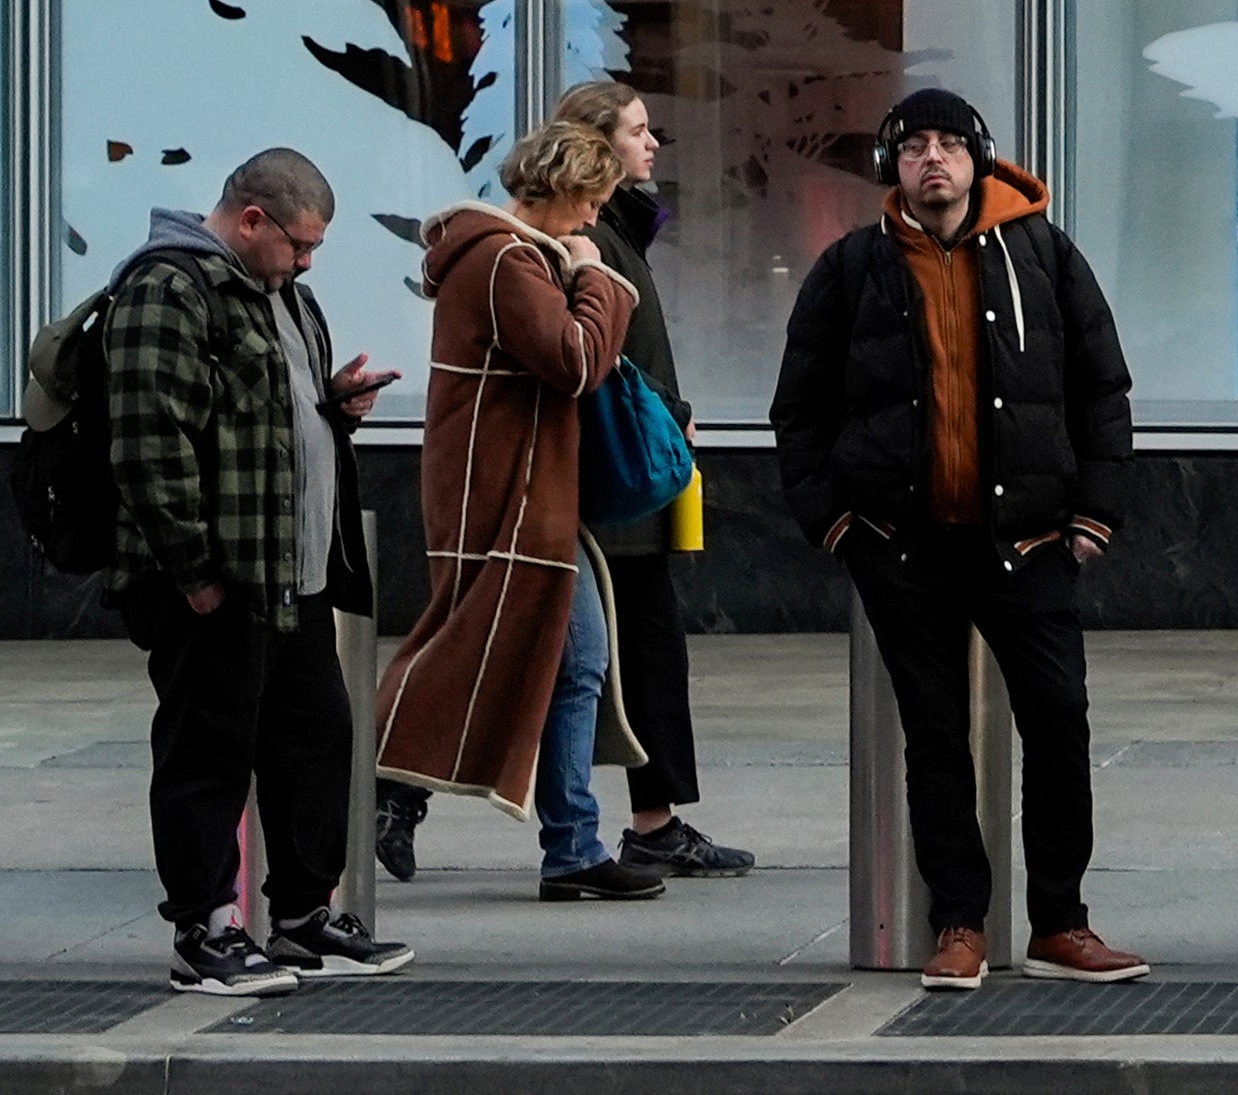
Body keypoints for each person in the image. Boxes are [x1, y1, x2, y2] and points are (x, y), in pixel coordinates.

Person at [773, 84, 1146, 993]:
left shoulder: (1044, 255)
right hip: (902, 546)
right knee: (935, 739)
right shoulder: (852, 267)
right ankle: (959, 924)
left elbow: (1101, 388)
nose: (931, 159)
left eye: (947, 143)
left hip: (1028, 541)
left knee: (1058, 723)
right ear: (890, 168)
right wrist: (836, 521)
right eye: (912, 146)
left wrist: (1093, 513)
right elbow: (800, 408)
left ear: (977, 157)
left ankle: (1061, 921)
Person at [89, 145, 407, 999]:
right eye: (297, 245)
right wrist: (194, 571)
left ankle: (301, 917)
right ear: (250, 219)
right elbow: (150, 440)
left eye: (315, 252)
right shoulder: (169, 288)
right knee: (208, 749)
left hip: (289, 576)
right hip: (215, 579)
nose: (305, 264)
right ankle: (206, 933)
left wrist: (333, 405)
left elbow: (264, 419)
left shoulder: (283, 297)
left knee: (318, 740)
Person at [371, 116, 655, 906]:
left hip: (531, 492)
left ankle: (571, 847)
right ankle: (386, 788)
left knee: (568, 662)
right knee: (474, 646)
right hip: (506, 495)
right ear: (561, 190)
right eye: (593, 202)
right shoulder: (503, 260)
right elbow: (574, 362)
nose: (596, 219)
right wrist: (599, 278)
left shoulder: (513, 257)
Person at [550, 76, 752, 880]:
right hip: (614, 478)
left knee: (638, 655)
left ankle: (653, 819)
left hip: (636, 469)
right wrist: (669, 408)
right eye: (638, 130)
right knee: (579, 659)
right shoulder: (588, 243)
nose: (653, 142)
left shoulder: (622, 232)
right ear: (600, 148)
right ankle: (399, 789)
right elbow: (606, 358)